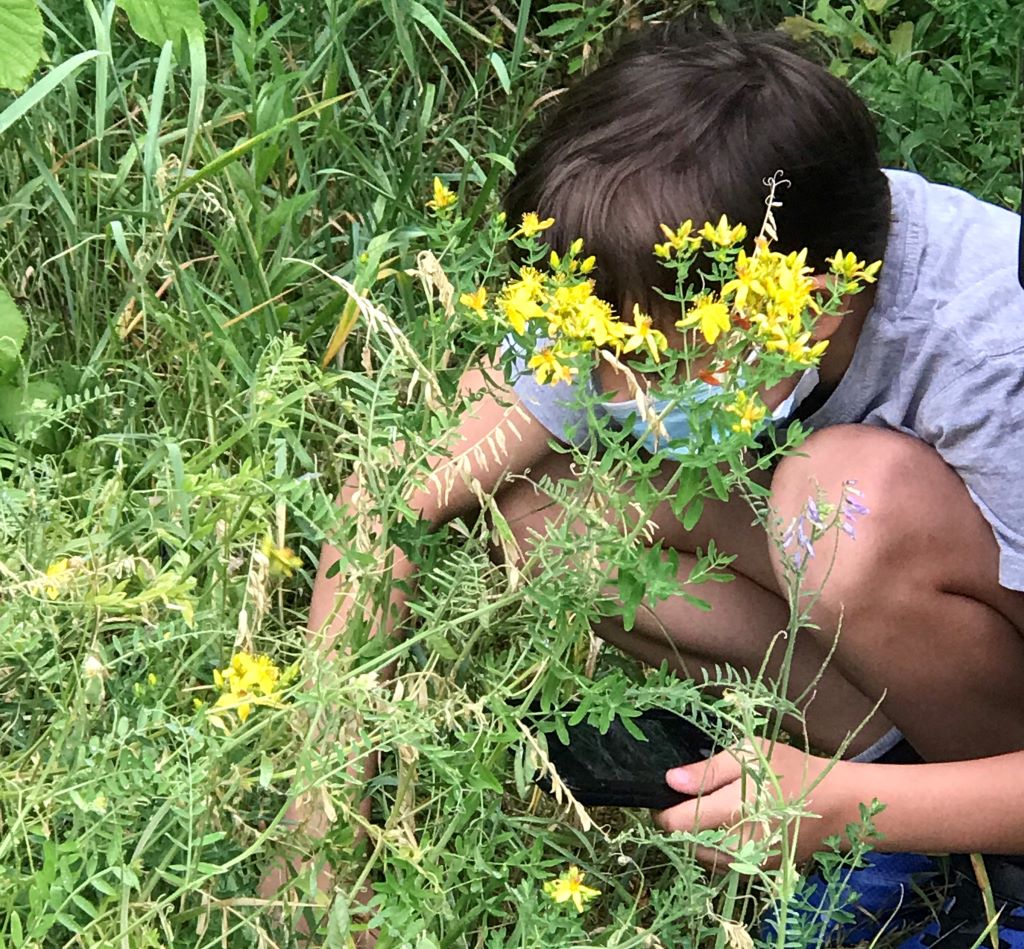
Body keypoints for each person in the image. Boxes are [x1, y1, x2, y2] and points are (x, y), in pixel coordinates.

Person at [271, 21, 1024, 944]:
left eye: (661, 357)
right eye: (599, 344)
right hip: (907, 684)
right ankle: (906, 809)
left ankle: (965, 853)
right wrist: (315, 849)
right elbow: (386, 505)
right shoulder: (647, 283)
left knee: (845, 501)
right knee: (544, 509)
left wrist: (846, 804)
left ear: (812, 303)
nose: (616, 386)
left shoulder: (993, 351)